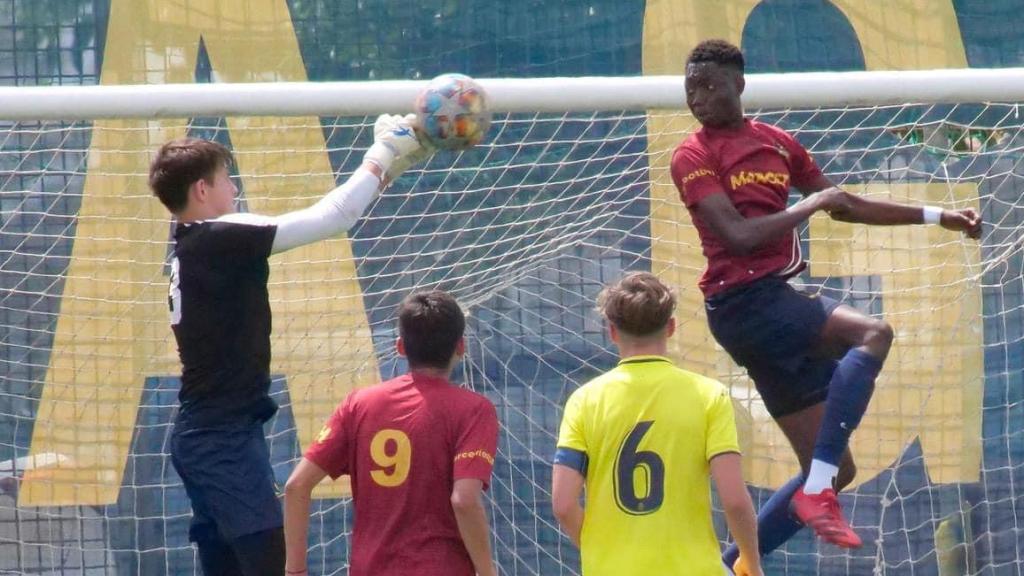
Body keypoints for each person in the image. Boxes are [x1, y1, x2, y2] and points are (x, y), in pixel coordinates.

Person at [670, 39, 983, 572]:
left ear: (738, 86)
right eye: (690, 87)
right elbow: (740, 237)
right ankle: (815, 491)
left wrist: (938, 216)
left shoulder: (776, 144)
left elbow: (847, 204)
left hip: (766, 306)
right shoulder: (692, 154)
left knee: (840, 469)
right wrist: (811, 203)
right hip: (744, 301)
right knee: (873, 334)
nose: (698, 97)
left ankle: (729, 566)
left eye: (710, 86)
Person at [150, 114, 434, 575]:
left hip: (214, 435)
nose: (235, 191)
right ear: (201, 190)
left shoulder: (196, 243)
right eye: (227, 180)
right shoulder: (217, 237)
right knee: (273, 564)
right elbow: (335, 216)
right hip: (220, 441)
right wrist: (383, 152)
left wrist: (397, 162)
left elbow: (340, 213)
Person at [551, 271, 762, 576]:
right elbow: (734, 500)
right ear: (671, 328)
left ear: (612, 331)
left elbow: (562, 503)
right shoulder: (708, 395)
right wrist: (752, 565)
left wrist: (602, 551)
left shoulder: (584, 401)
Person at [283, 290, 499, 576]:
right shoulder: (474, 410)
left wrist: (295, 571)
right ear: (461, 346)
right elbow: (464, 499)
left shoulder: (358, 404)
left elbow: (296, 486)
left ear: (400, 346)